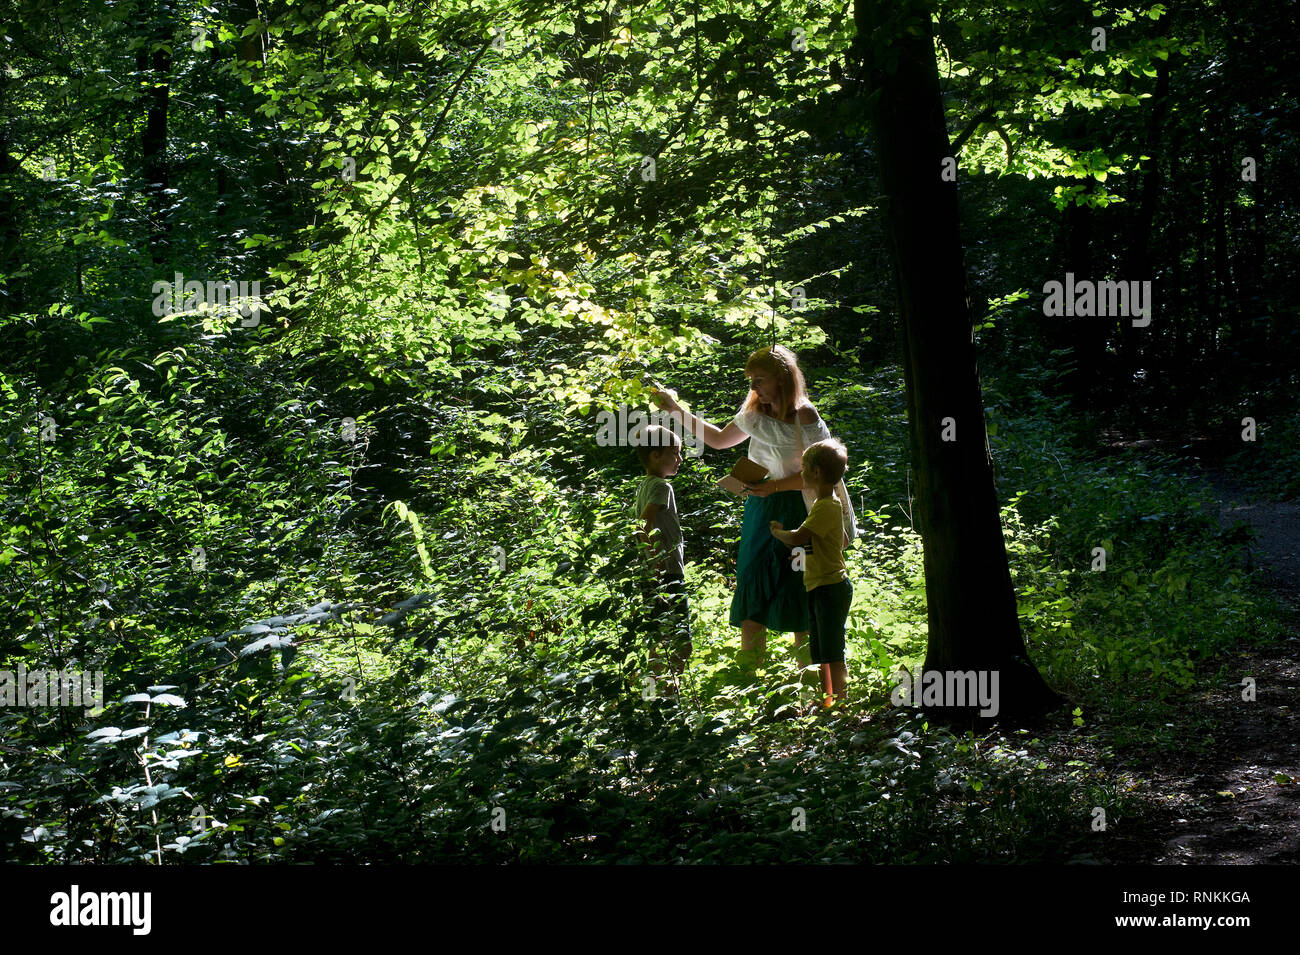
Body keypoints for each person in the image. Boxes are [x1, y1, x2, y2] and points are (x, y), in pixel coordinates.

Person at [652, 345, 855, 677]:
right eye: (751, 381)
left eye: (760, 380)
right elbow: (717, 440)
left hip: (801, 509)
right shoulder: (755, 414)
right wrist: (675, 409)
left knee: (800, 590)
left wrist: (775, 486)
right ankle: (749, 682)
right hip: (760, 510)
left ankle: (810, 682)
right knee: (751, 585)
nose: (754, 387)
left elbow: (826, 471)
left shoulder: (805, 416)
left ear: (783, 379)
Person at [770, 438, 853, 707]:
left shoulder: (826, 505)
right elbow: (843, 541)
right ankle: (828, 701)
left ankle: (840, 702)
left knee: (832, 649)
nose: (801, 472)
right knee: (819, 650)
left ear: (816, 472)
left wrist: (776, 532)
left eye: (804, 467)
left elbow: (796, 539)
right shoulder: (827, 506)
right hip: (819, 584)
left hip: (831, 586)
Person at [633, 424, 692, 689]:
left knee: (658, 639)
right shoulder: (661, 487)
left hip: (654, 574)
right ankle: (671, 695)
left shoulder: (644, 485)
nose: (679, 459)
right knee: (681, 641)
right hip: (666, 574)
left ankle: (651, 696)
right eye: (674, 453)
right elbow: (643, 524)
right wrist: (656, 560)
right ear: (656, 455)